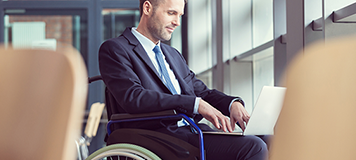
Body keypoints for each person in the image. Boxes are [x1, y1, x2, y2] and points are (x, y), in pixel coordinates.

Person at [99, 0, 268, 159]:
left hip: (191, 131)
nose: (177, 22)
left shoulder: (173, 55)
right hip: (158, 135)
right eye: (171, 13)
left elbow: (202, 92)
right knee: (254, 147)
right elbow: (134, 97)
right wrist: (194, 104)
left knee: (268, 139)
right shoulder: (115, 49)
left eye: (179, 15)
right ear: (147, 8)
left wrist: (232, 104)